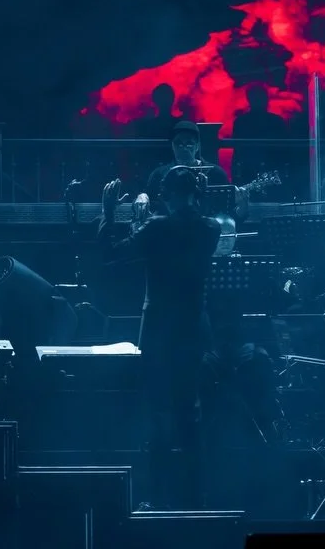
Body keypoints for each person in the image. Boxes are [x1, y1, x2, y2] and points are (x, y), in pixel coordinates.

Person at [99, 166, 222, 509]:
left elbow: (112, 253)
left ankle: (157, 498)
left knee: (157, 411)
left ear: (167, 194)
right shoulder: (210, 229)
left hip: (158, 327)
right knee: (189, 410)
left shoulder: (157, 227)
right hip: (193, 327)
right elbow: (193, 221)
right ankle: (196, 499)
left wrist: (108, 213)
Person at [138, 120, 230, 218]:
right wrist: (142, 196)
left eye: (189, 144)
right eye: (178, 143)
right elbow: (149, 197)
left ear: (197, 146)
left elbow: (226, 210)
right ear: (172, 145)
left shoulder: (215, 173)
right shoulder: (159, 174)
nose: (184, 148)